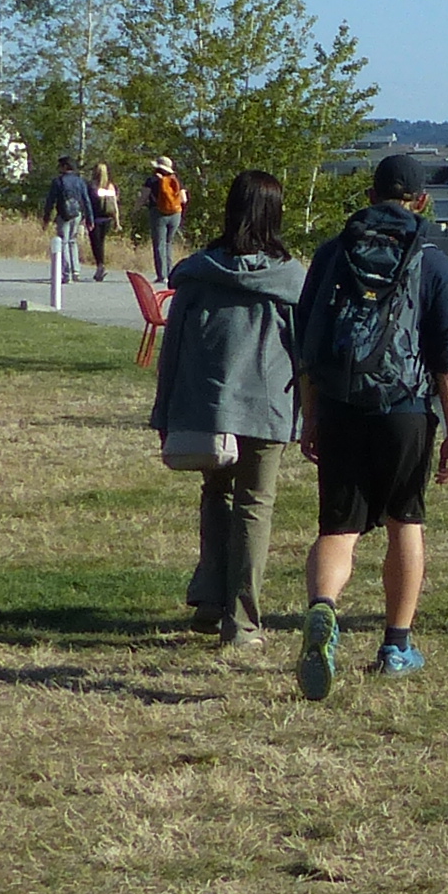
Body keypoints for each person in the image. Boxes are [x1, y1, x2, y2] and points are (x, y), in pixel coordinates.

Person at [288, 151, 448, 699]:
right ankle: (396, 645)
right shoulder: (431, 261)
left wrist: (312, 415)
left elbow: (309, 342)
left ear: (370, 197)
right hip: (405, 409)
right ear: (421, 201)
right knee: (404, 522)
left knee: (337, 529)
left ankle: (324, 607)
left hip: (343, 404)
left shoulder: (332, 253)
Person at [150, 169, 302, 642]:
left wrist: (164, 411)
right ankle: (243, 621)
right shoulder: (291, 280)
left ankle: (210, 600)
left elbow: (173, 349)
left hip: (206, 406)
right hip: (268, 408)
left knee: (217, 495)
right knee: (255, 505)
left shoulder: (198, 273)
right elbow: (305, 354)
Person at [46, 154, 93, 285]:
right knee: (73, 241)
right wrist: (90, 218)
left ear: (65, 166)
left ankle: (67, 273)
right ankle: (76, 270)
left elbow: (50, 201)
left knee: (63, 242)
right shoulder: (80, 181)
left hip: (64, 214)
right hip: (77, 214)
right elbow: (86, 200)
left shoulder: (58, 182)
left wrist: (46, 217)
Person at [143, 155, 188, 282]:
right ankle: (169, 273)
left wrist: (136, 209)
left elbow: (143, 196)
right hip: (175, 214)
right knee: (168, 243)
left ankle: (161, 275)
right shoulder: (176, 180)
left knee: (159, 244)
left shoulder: (152, 180)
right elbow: (184, 199)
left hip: (158, 213)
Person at [87, 160, 121, 279]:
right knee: (101, 242)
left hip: (95, 218)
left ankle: (100, 265)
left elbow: (87, 203)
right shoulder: (110, 186)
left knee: (96, 244)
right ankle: (100, 265)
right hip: (107, 218)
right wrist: (117, 221)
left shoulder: (92, 186)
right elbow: (114, 205)